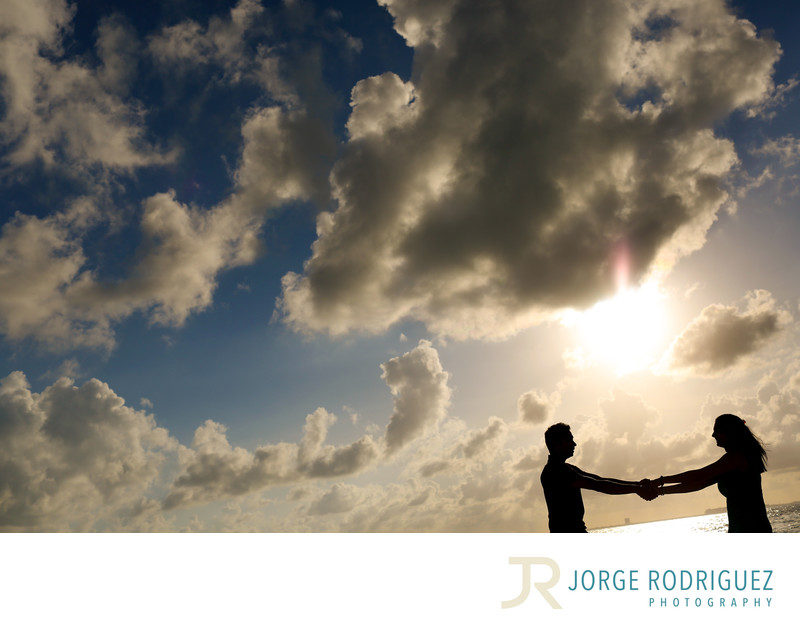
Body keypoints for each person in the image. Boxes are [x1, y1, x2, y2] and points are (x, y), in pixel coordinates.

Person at [645, 414, 772, 533]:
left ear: (729, 432)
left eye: (717, 430)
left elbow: (698, 476)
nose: (713, 435)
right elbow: (697, 484)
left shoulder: (736, 458)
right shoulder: (733, 460)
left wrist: (658, 482)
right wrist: (659, 490)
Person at [540, 422, 652, 532]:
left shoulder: (566, 468)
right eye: (569, 440)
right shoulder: (556, 471)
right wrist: (637, 489)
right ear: (556, 444)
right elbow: (598, 485)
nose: (574, 444)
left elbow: (600, 479)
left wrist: (638, 484)